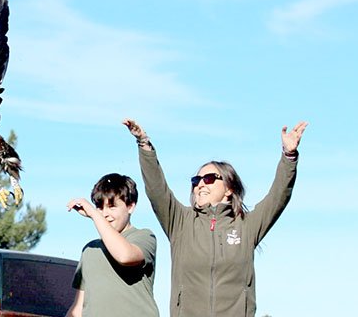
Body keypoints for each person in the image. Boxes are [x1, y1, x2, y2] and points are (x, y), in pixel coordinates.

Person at [122, 118, 307, 317]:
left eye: (209, 179)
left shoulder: (246, 225)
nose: (200, 184)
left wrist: (289, 156)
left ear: (229, 189)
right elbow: (157, 190)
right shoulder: (180, 222)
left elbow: (278, 197)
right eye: (196, 180)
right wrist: (144, 144)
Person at [65, 173, 160, 317]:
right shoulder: (90, 250)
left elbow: (125, 256)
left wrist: (94, 214)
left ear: (130, 206)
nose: (105, 214)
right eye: (100, 207)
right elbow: (78, 307)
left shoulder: (144, 237)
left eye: (112, 207)